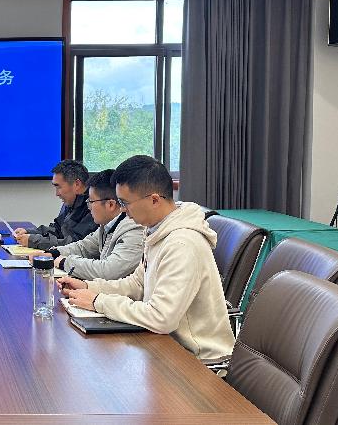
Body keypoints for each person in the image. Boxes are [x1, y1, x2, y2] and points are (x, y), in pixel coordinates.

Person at [58, 155, 234, 362]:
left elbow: (161, 318)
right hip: (164, 345)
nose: (123, 210)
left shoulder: (182, 244)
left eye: (125, 203)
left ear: (154, 200)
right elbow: (137, 284)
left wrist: (98, 301)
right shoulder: (156, 230)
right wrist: (89, 287)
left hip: (198, 360)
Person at [47, 170, 144, 281]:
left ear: (111, 204)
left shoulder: (134, 229)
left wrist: (65, 262)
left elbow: (109, 271)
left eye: (91, 202)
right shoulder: (107, 225)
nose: (89, 207)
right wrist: (53, 253)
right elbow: (83, 247)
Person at [13, 159, 97, 250]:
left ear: (77, 184)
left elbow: (76, 244)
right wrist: (29, 232)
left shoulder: (94, 206)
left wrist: (35, 241)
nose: (57, 194)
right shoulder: (71, 201)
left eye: (59, 187)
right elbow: (58, 229)